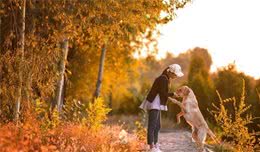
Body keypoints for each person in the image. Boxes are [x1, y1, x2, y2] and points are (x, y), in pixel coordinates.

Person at [139, 64, 184, 152]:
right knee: (152, 125)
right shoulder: (163, 79)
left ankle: (155, 144)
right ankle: (151, 147)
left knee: (158, 126)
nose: (176, 77)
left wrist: (172, 96)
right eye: (175, 74)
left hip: (157, 103)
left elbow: (163, 93)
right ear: (170, 72)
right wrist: (173, 94)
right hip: (154, 103)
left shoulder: (165, 78)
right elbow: (162, 93)